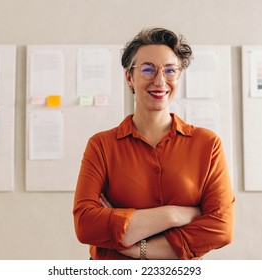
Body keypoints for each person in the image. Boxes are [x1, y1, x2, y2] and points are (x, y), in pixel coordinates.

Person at [73, 27, 235, 260]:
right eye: (148, 69)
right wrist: (173, 215)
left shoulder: (207, 144)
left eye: (170, 70)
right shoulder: (101, 145)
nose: (160, 80)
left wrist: (135, 248)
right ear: (129, 77)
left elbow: (221, 228)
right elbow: (86, 225)